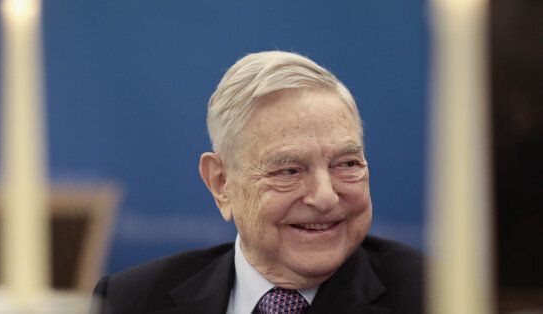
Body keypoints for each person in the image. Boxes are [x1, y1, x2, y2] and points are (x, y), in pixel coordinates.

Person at [92, 51, 423, 314]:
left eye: (347, 164)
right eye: (289, 171)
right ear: (221, 183)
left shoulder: (438, 298)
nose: (325, 196)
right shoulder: (129, 300)